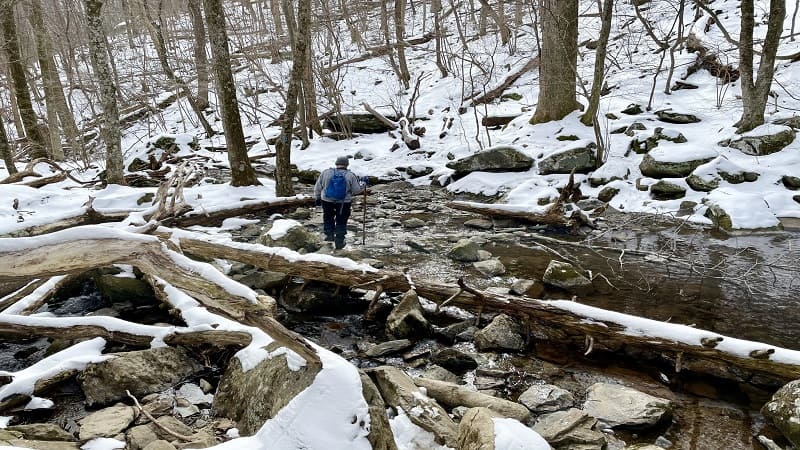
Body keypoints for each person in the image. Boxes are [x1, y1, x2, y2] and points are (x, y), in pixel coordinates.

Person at [314, 156, 366, 249]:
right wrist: (364, 184)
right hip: (344, 202)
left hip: (326, 200)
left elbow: (318, 187)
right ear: (347, 164)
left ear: (336, 163)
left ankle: (329, 236)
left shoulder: (326, 172)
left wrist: (317, 198)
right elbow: (356, 190)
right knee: (341, 220)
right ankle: (339, 241)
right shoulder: (350, 175)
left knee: (328, 216)